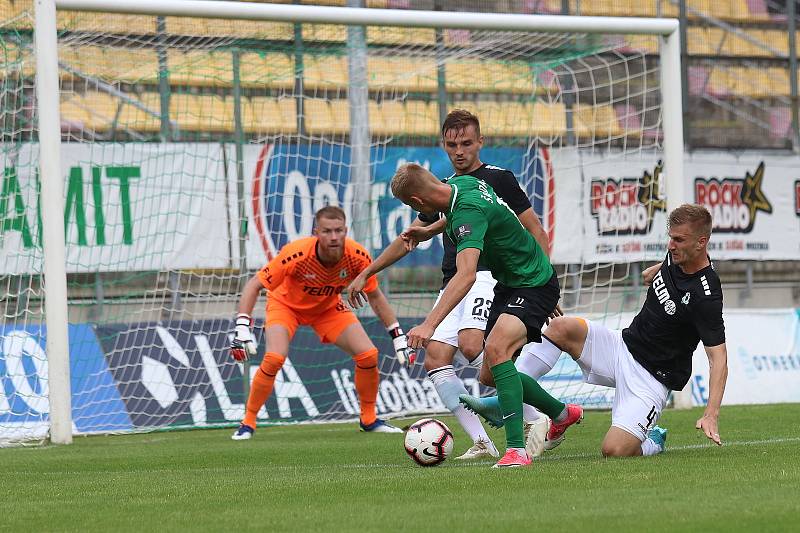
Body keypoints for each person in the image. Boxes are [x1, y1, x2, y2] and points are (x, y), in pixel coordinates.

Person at [347, 109, 553, 460]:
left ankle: (538, 417)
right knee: (436, 358)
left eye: (467, 143)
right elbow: (410, 236)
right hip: (454, 279)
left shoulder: (499, 179)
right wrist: (368, 270)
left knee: (475, 348)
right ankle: (483, 441)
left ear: (480, 143)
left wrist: (541, 277)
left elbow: (533, 227)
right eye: (452, 144)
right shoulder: (445, 189)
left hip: (488, 275)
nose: (459, 151)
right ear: (444, 145)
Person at [468, 204, 728, 457]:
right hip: (622, 346)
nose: (671, 245)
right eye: (670, 238)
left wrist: (710, 414)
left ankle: (654, 441)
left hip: (652, 377)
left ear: (701, 242)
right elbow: (676, 268)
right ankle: (520, 404)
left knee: (614, 451)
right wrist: (657, 270)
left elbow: (719, 359)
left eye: (679, 240)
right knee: (560, 327)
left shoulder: (706, 296)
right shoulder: (677, 255)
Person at [388, 163, 582, 468]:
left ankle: (516, 451)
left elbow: (465, 276)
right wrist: (429, 230)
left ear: (418, 203)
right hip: (510, 282)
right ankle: (561, 413)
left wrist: (429, 324)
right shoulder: (462, 185)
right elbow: (477, 213)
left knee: (495, 349)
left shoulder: (466, 213)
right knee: (490, 374)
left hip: (533, 282)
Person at [229, 206, 412, 439]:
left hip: (326, 308)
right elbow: (254, 284)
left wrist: (397, 335)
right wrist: (242, 327)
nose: (333, 237)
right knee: (274, 358)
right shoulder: (296, 254)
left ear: (346, 230)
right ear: (316, 232)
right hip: (285, 306)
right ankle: (248, 423)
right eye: (327, 231)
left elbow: (375, 295)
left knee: (368, 355)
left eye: (338, 231)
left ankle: (368, 419)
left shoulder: (357, 256)